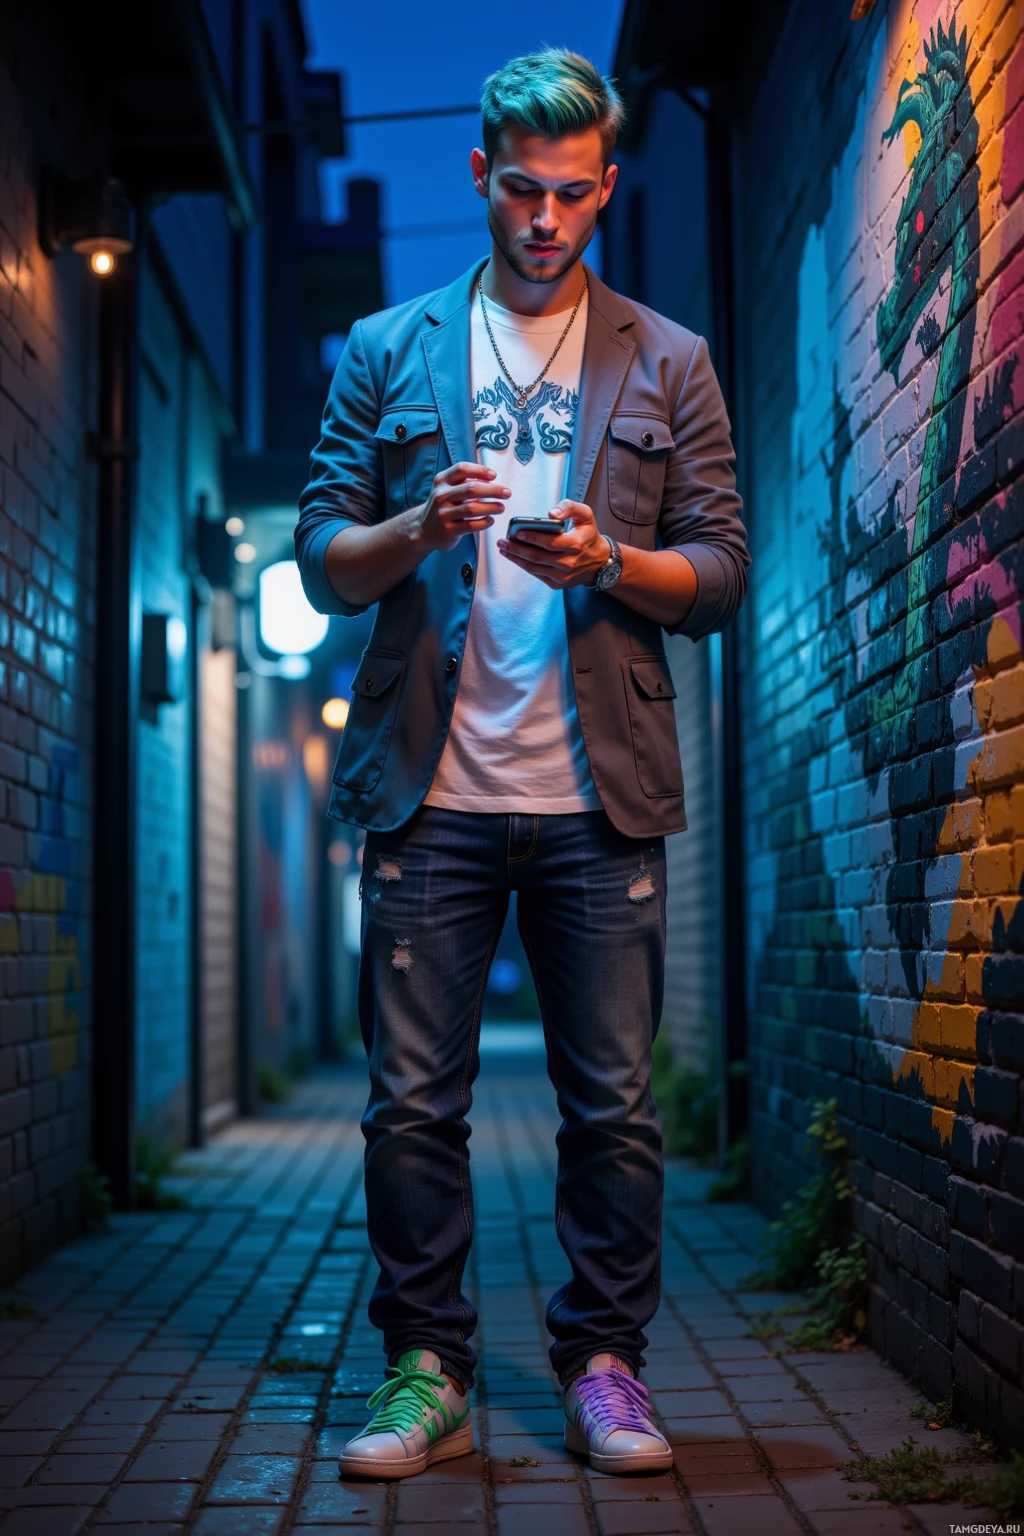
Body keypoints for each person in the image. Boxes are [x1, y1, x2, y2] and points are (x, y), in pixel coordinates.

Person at [295, 47, 749, 1481]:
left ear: (606, 189)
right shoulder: (388, 348)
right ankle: (424, 1371)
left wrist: (612, 558)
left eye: (571, 194)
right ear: (479, 177)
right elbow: (321, 563)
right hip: (426, 791)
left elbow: (722, 574)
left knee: (610, 1106)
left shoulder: (668, 357)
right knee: (408, 1107)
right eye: (519, 190)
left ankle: (606, 1365)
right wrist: (417, 529)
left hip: (599, 799)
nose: (544, 220)